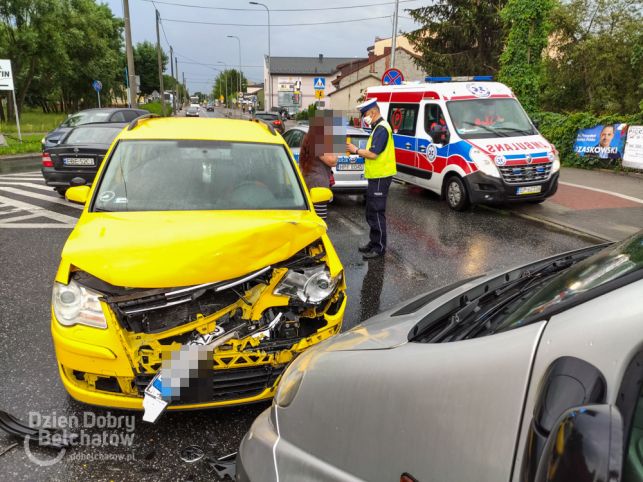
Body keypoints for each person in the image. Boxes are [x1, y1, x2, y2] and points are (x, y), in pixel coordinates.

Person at [346, 99, 397, 260]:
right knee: (371, 211)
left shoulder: (381, 129)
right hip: (376, 176)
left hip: (381, 176)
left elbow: (373, 154)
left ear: (373, 112)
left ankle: (379, 248)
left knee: (376, 212)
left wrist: (356, 150)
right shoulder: (378, 128)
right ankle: (374, 242)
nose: (364, 118)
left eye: (365, 114)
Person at [298, 114, 338, 219]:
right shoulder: (318, 141)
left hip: (309, 179)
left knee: (311, 214)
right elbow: (332, 161)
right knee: (319, 218)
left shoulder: (309, 139)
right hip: (318, 184)